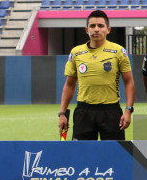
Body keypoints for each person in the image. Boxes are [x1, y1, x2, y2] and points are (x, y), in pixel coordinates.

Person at [58, 10, 135, 141]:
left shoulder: (119, 51)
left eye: (100, 26)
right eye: (92, 26)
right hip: (83, 111)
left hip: (111, 112)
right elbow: (69, 85)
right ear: (86, 29)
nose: (96, 29)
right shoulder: (76, 52)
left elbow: (129, 82)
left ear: (108, 29)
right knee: (82, 157)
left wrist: (128, 110)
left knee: (113, 156)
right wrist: (62, 113)